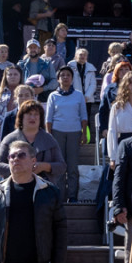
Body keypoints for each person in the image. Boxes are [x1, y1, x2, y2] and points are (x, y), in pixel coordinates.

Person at [44, 63, 89, 202]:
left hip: (74, 132)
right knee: (59, 166)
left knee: (73, 166)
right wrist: (48, 134)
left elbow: (83, 115)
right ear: (58, 79)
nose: (65, 77)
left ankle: (72, 196)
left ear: (72, 78)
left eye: (68, 75)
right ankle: (60, 195)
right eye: (62, 75)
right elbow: (48, 117)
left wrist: (83, 133)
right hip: (57, 132)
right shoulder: (53, 96)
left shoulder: (78, 95)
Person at [0, 99, 63, 182]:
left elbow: (62, 166)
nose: (32, 117)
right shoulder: (9, 139)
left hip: (43, 187)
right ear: (21, 117)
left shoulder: (49, 139)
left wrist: (44, 166)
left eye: (36, 114)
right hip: (15, 186)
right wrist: (19, 168)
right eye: (29, 114)